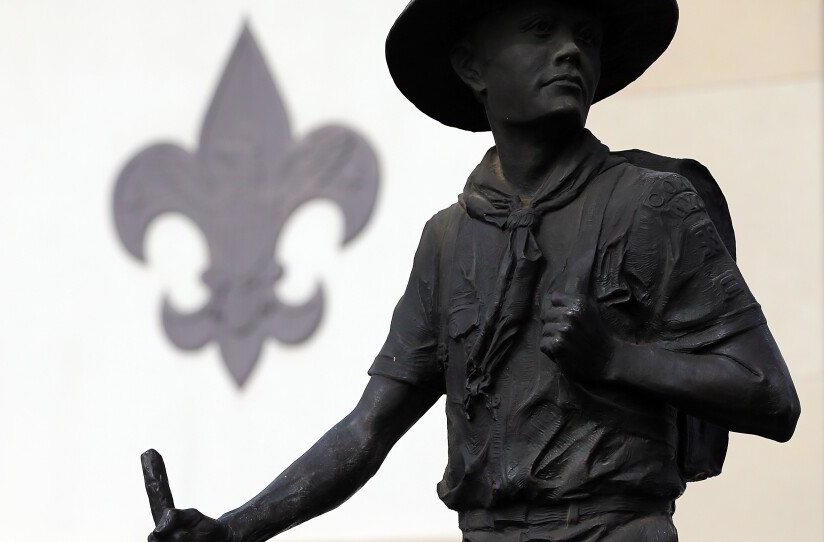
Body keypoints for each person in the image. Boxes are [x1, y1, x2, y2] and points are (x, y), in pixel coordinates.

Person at [147, 1, 800, 540]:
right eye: (542, 29)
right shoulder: (448, 241)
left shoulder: (651, 202)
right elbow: (368, 430)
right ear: (471, 65)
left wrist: (617, 358)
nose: (572, 49)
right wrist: (234, 530)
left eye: (587, 35)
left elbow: (769, 395)